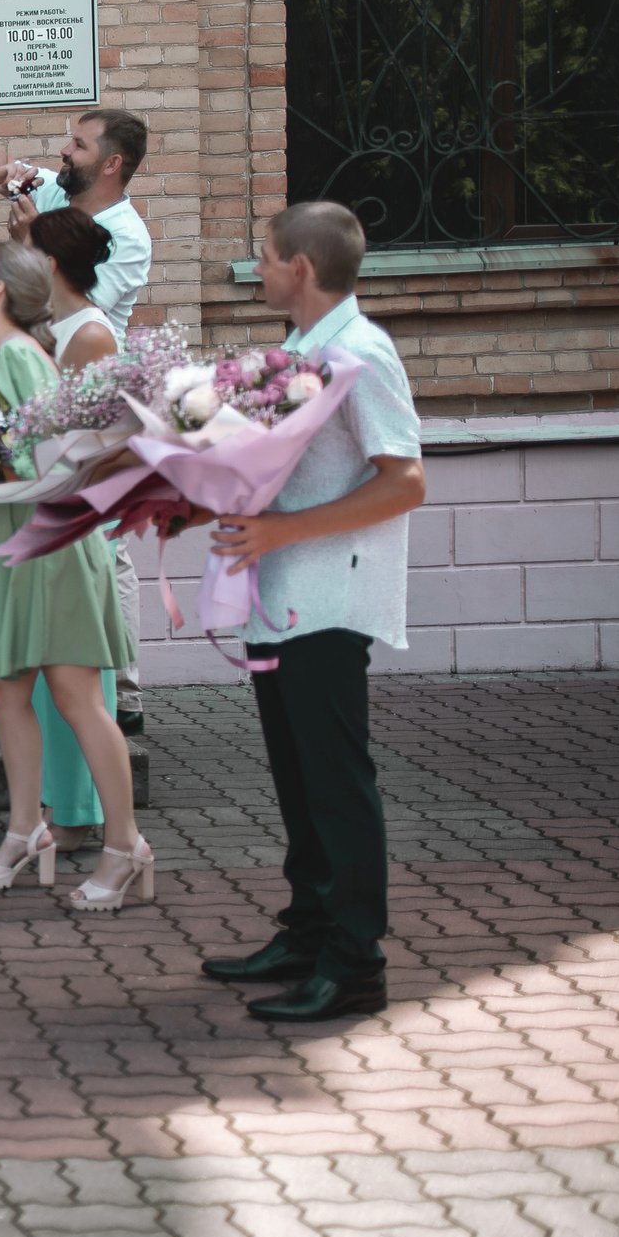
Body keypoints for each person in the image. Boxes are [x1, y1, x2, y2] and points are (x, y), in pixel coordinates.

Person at [201, 201, 424, 1023]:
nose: (254, 267)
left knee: (336, 782)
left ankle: (356, 959)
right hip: (277, 592)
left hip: (329, 595)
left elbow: (405, 479)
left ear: (300, 267)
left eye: (262, 256)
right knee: (298, 780)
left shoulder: (362, 350)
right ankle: (308, 929)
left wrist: (281, 528)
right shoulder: (298, 349)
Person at [0, 242, 142, 909]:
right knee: (6, 692)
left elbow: (40, 461)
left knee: (76, 697)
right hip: (2, 540)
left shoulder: (17, 355)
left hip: (45, 544)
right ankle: (26, 830)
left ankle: (126, 844)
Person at [0, 110, 155, 735]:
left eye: (78, 145)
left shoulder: (126, 238)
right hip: (49, 415)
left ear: (111, 162)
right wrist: (7, 176)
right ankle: (68, 674)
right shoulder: (63, 190)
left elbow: (76, 304)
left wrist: (33, 246)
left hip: (87, 407)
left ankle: (125, 690)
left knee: (106, 551)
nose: (64, 151)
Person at [22, 206, 122, 854]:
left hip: (67, 512)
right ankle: (59, 801)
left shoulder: (89, 333)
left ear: (51, 263)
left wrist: (74, 499)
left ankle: (84, 809)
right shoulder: (50, 327)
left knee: (72, 674)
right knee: (41, 673)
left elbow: (110, 435)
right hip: (38, 505)